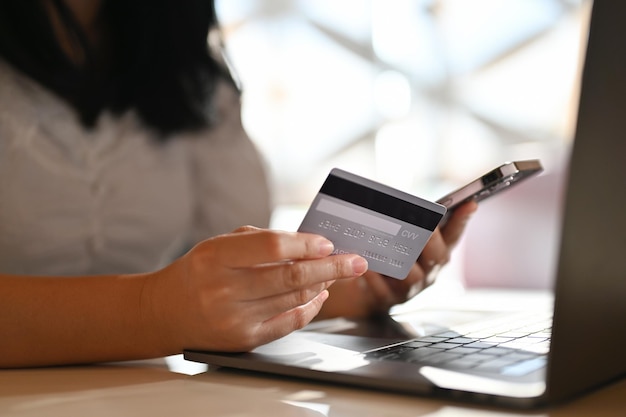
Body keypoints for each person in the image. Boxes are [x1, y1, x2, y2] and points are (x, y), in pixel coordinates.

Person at [0, 0, 477, 369]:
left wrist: (347, 287)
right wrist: (156, 310)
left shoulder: (185, 63)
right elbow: (181, 305)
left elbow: (224, 287)